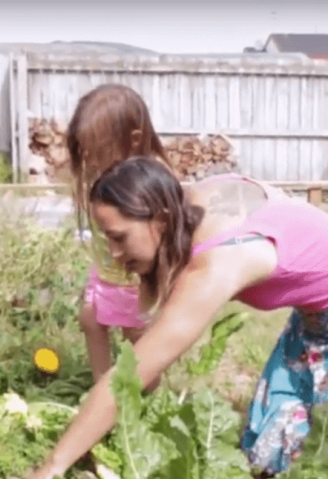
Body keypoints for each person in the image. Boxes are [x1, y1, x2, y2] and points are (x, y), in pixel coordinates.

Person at [0, 150, 328, 479]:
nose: (113, 252)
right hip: (321, 321)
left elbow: (131, 376)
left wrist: (51, 468)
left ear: (158, 217)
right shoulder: (186, 201)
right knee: (268, 459)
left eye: (119, 237)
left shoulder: (218, 262)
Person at [67, 83, 286, 388]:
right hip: (107, 271)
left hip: (136, 276)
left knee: (139, 344)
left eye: (97, 152)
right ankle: (101, 390)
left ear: (132, 138)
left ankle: (141, 400)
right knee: (90, 319)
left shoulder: (151, 177)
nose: (91, 162)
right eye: (85, 153)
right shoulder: (106, 177)